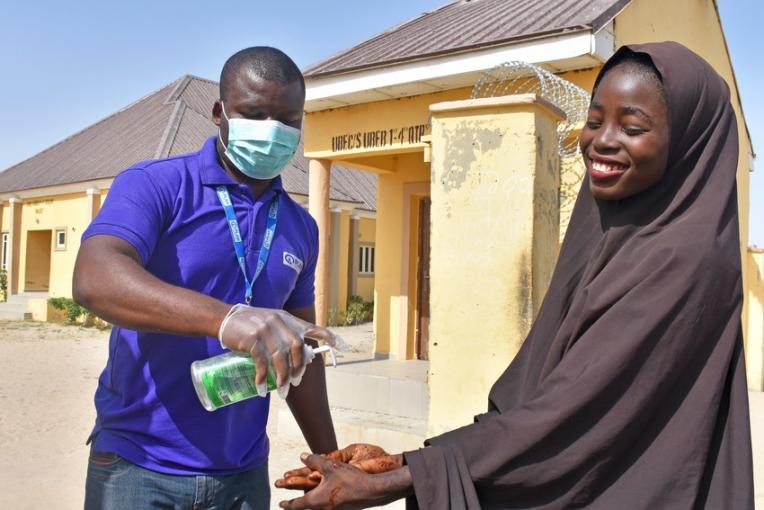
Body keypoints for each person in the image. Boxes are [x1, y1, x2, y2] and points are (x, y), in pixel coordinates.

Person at [275, 42, 755, 509]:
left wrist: (398, 479)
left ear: (687, 142)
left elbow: (574, 416)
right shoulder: (614, 227)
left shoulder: (685, 261)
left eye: (632, 127)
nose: (602, 140)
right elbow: (542, 393)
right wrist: (397, 463)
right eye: (593, 121)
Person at [73, 46, 338, 509]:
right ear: (220, 112)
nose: (272, 131)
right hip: (139, 466)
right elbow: (95, 278)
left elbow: (304, 353)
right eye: (254, 114)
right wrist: (226, 319)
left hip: (242, 472)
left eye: (288, 120)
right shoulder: (157, 185)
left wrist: (329, 460)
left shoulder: (300, 226)